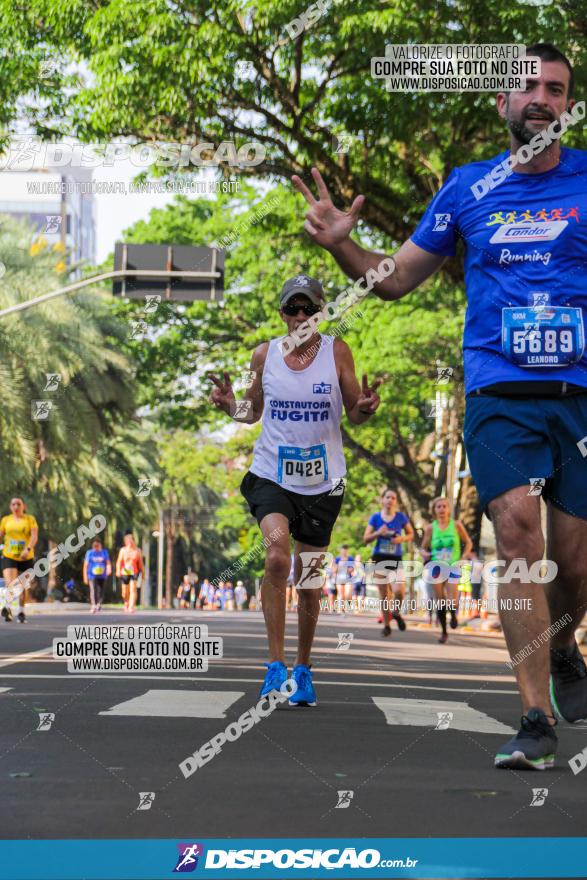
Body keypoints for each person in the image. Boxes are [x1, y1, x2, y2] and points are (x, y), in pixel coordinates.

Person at [293, 43, 587, 768]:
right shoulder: (466, 188)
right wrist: (342, 246)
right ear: (500, 103)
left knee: (574, 563)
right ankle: (532, 720)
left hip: (579, 394)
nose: (539, 97)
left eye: (553, 87)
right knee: (518, 540)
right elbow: (392, 281)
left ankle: (563, 647)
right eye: (524, 86)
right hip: (496, 391)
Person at [210, 274, 381, 706]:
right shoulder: (264, 354)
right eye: (293, 309)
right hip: (272, 475)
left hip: (323, 481)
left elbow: (356, 414)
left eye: (309, 309)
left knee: (308, 579)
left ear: (321, 312)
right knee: (276, 557)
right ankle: (274, 666)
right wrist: (232, 404)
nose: (301, 316)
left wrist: (364, 407)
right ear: (282, 313)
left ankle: (303, 669)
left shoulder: (337, 352)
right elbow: (252, 411)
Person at [364, 487, 415, 636]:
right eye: (387, 497)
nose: (390, 500)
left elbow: (411, 534)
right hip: (379, 557)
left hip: (395, 558)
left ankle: (396, 613)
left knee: (399, 591)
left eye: (393, 498)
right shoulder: (375, 518)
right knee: (384, 594)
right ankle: (387, 625)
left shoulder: (401, 517)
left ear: (396, 502)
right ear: (382, 500)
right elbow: (365, 539)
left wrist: (401, 539)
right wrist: (378, 533)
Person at [421, 498, 473, 644]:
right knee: (440, 600)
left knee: (452, 600)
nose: (442, 509)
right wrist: (424, 553)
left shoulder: (456, 525)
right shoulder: (431, 528)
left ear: (449, 509)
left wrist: (464, 556)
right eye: (439, 507)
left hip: (453, 566)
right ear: (434, 510)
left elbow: (468, 542)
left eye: (444, 506)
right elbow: (423, 547)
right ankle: (444, 632)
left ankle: (454, 615)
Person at [0, 498, 38, 623]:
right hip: (9, 555)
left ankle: (21, 611)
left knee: (23, 586)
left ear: (23, 506)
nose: (16, 506)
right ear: (10, 507)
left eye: (18, 504)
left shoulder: (30, 519)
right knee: (10, 583)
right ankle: (8, 608)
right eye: (13, 504)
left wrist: (27, 549)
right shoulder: (6, 520)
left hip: (26, 557)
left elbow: (34, 536)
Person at [115, 532, 144, 614]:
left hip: (134, 572)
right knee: (125, 592)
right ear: (125, 542)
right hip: (125, 572)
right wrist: (118, 570)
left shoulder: (137, 551)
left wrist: (143, 574)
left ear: (134, 541)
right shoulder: (123, 550)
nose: (130, 542)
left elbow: (141, 564)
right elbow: (119, 562)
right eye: (128, 541)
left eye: (131, 540)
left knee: (133, 588)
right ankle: (126, 602)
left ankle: (131, 606)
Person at [83, 538, 111, 614]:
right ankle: (93, 605)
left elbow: (108, 562)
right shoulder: (90, 553)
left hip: (102, 575)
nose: (96, 547)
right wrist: (85, 576)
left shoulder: (104, 552)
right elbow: (85, 566)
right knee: (93, 590)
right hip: (92, 575)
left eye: (97, 545)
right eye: (94, 546)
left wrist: (109, 569)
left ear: (100, 545)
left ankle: (99, 603)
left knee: (101, 591)